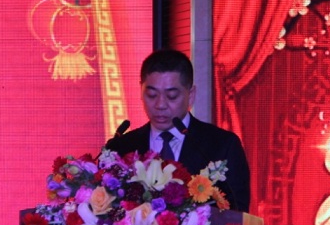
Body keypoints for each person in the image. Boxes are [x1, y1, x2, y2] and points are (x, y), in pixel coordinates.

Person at [105, 48, 251, 212]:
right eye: (152, 95)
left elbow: (238, 214)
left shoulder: (222, 146)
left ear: (191, 95)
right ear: (141, 91)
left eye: (172, 96)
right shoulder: (121, 148)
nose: (160, 105)